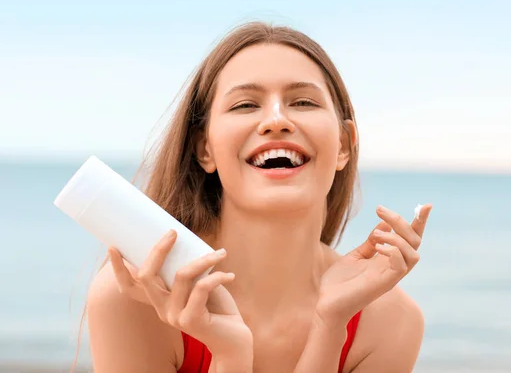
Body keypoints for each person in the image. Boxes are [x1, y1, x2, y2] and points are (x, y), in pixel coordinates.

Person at [86, 21, 433, 373]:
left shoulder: (390, 321)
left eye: (302, 101)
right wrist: (230, 355)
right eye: (245, 105)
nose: (277, 120)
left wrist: (330, 325)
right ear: (204, 149)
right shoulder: (138, 296)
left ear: (343, 144)